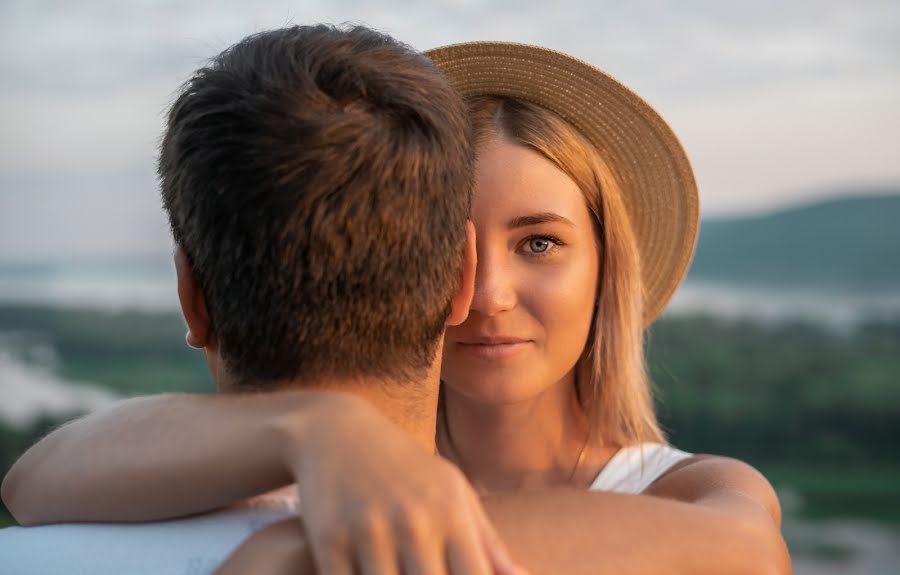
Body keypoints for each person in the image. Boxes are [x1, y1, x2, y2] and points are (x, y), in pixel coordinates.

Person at [2, 41, 791, 575]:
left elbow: (746, 549)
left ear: (606, 266)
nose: (489, 294)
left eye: (541, 243)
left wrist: (296, 556)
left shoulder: (686, 490)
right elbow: (34, 479)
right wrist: (313, 426)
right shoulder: (336, 459)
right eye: (456, 251)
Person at [0, 24, 522, 575]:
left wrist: (310, 425)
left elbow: (24, 483)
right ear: (464, 279)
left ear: (191, 297)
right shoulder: (576, 544)